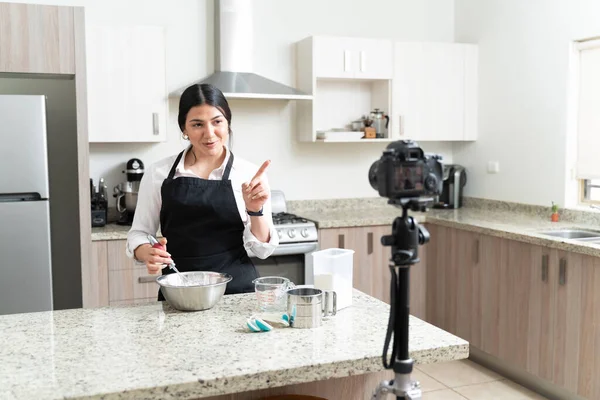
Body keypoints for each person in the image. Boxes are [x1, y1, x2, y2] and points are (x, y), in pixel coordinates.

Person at [126, 83, 278, 299]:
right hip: (179, 294)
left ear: (228, 124)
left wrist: (255, 210)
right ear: (184, 130)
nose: (209, 134)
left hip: (237, 295)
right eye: (197, 124)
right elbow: (139, 233)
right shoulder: (158, 173)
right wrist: (146, 252)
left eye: (217, 122)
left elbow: (263, 250)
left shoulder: (249, 174)